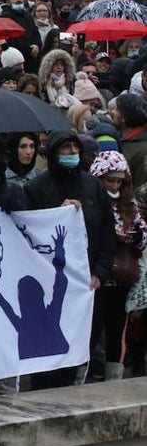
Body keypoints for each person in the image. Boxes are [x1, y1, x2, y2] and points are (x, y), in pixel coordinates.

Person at [23, 131, 114, 389]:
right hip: (50, 283)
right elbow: (27, 233)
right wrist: (55, 213)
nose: (72, 153)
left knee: (82, 344)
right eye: (66, 149)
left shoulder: (93, 185)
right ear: (53, 154)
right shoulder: (36, 188)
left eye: (76, 148)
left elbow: (107, 230)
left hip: (87, 284)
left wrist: (100, 272)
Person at [89, 151, 146, 382]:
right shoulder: (90, 199)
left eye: (118, 180)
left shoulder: (129, 202)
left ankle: (114, 381)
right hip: (95, 276)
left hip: (121, 278)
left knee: (116, 332)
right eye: (109, 179)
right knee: (91, 332)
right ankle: (81, 377)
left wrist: (131, 237)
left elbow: (143, 234)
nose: (114, 184)